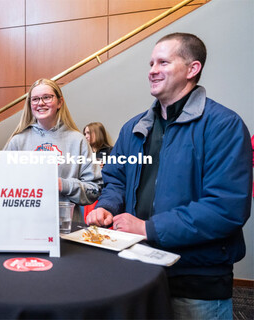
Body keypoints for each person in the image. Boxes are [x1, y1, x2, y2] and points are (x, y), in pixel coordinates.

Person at [86, 33, 252, 319]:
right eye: (151, 63)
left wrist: (148, 229)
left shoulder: (224, 126)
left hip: (196, 281)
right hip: (136, 271)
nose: (152, 70)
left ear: (192, 69)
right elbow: (116, 179)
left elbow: (226, 208)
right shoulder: (133, 128)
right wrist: (106, 206)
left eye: (163, 62)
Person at [4, 78, 101, 222]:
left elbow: (95, 189)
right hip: (24, 225)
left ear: (60, 102)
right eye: (35, 99)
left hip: (66, 228)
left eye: (47, 97)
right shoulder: (17, 141)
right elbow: (1, 186)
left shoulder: (78, 141)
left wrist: (63, 184)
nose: (41, 103)